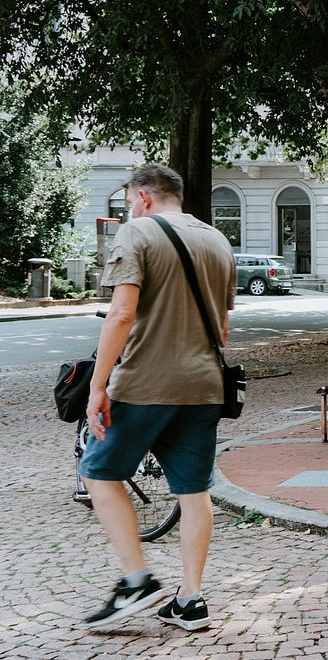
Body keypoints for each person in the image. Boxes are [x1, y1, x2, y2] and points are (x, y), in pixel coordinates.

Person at [78, 164, 235, 630]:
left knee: (98, 471)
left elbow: (122, 314)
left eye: (129, 199)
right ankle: (190, 599)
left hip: (145, 382)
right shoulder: (217, 240)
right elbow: (224, 329)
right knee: (194, 491)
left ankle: (137, 579)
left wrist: (97, 385)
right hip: (205, 386)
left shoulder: (137, 233)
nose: (129, 207)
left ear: (143, 196)